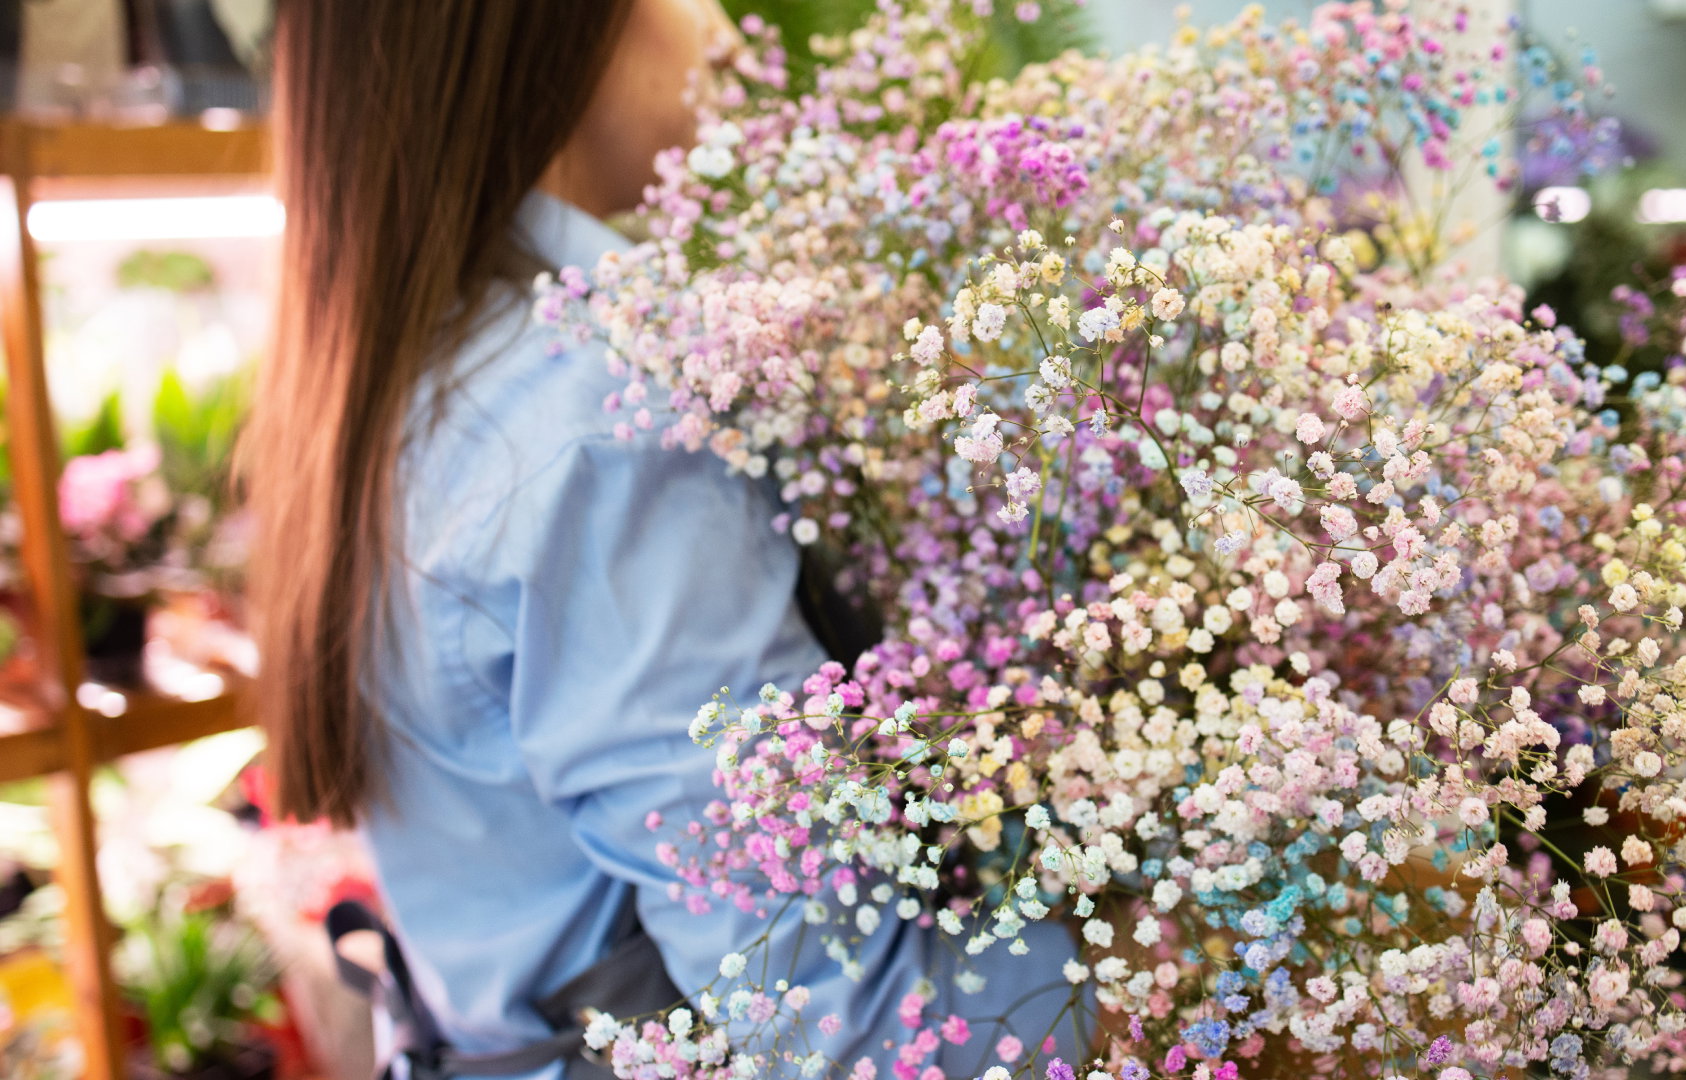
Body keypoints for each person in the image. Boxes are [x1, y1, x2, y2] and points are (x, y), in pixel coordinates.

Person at [241, 2, 1084, 1078]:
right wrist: (1187, 949)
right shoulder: (598, 428)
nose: (726, 26)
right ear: (556, 31)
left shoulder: (395, 389)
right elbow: (846, 1028)